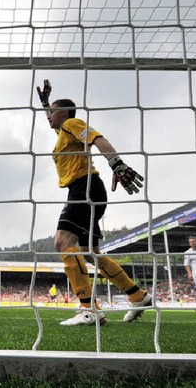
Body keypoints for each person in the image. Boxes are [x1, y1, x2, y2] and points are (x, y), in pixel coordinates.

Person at [36, 80, 152, 326]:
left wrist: (117, 164)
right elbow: (53, 122)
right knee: (92, 253)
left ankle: (89, 309)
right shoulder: (63, 132)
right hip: (88, 189)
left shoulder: (70, 123)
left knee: (62, 242)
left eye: (53, 113)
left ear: (64, 113)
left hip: (84, 187)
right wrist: (46, 103)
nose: (49, 117)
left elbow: (98, 138)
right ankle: (138, 296)